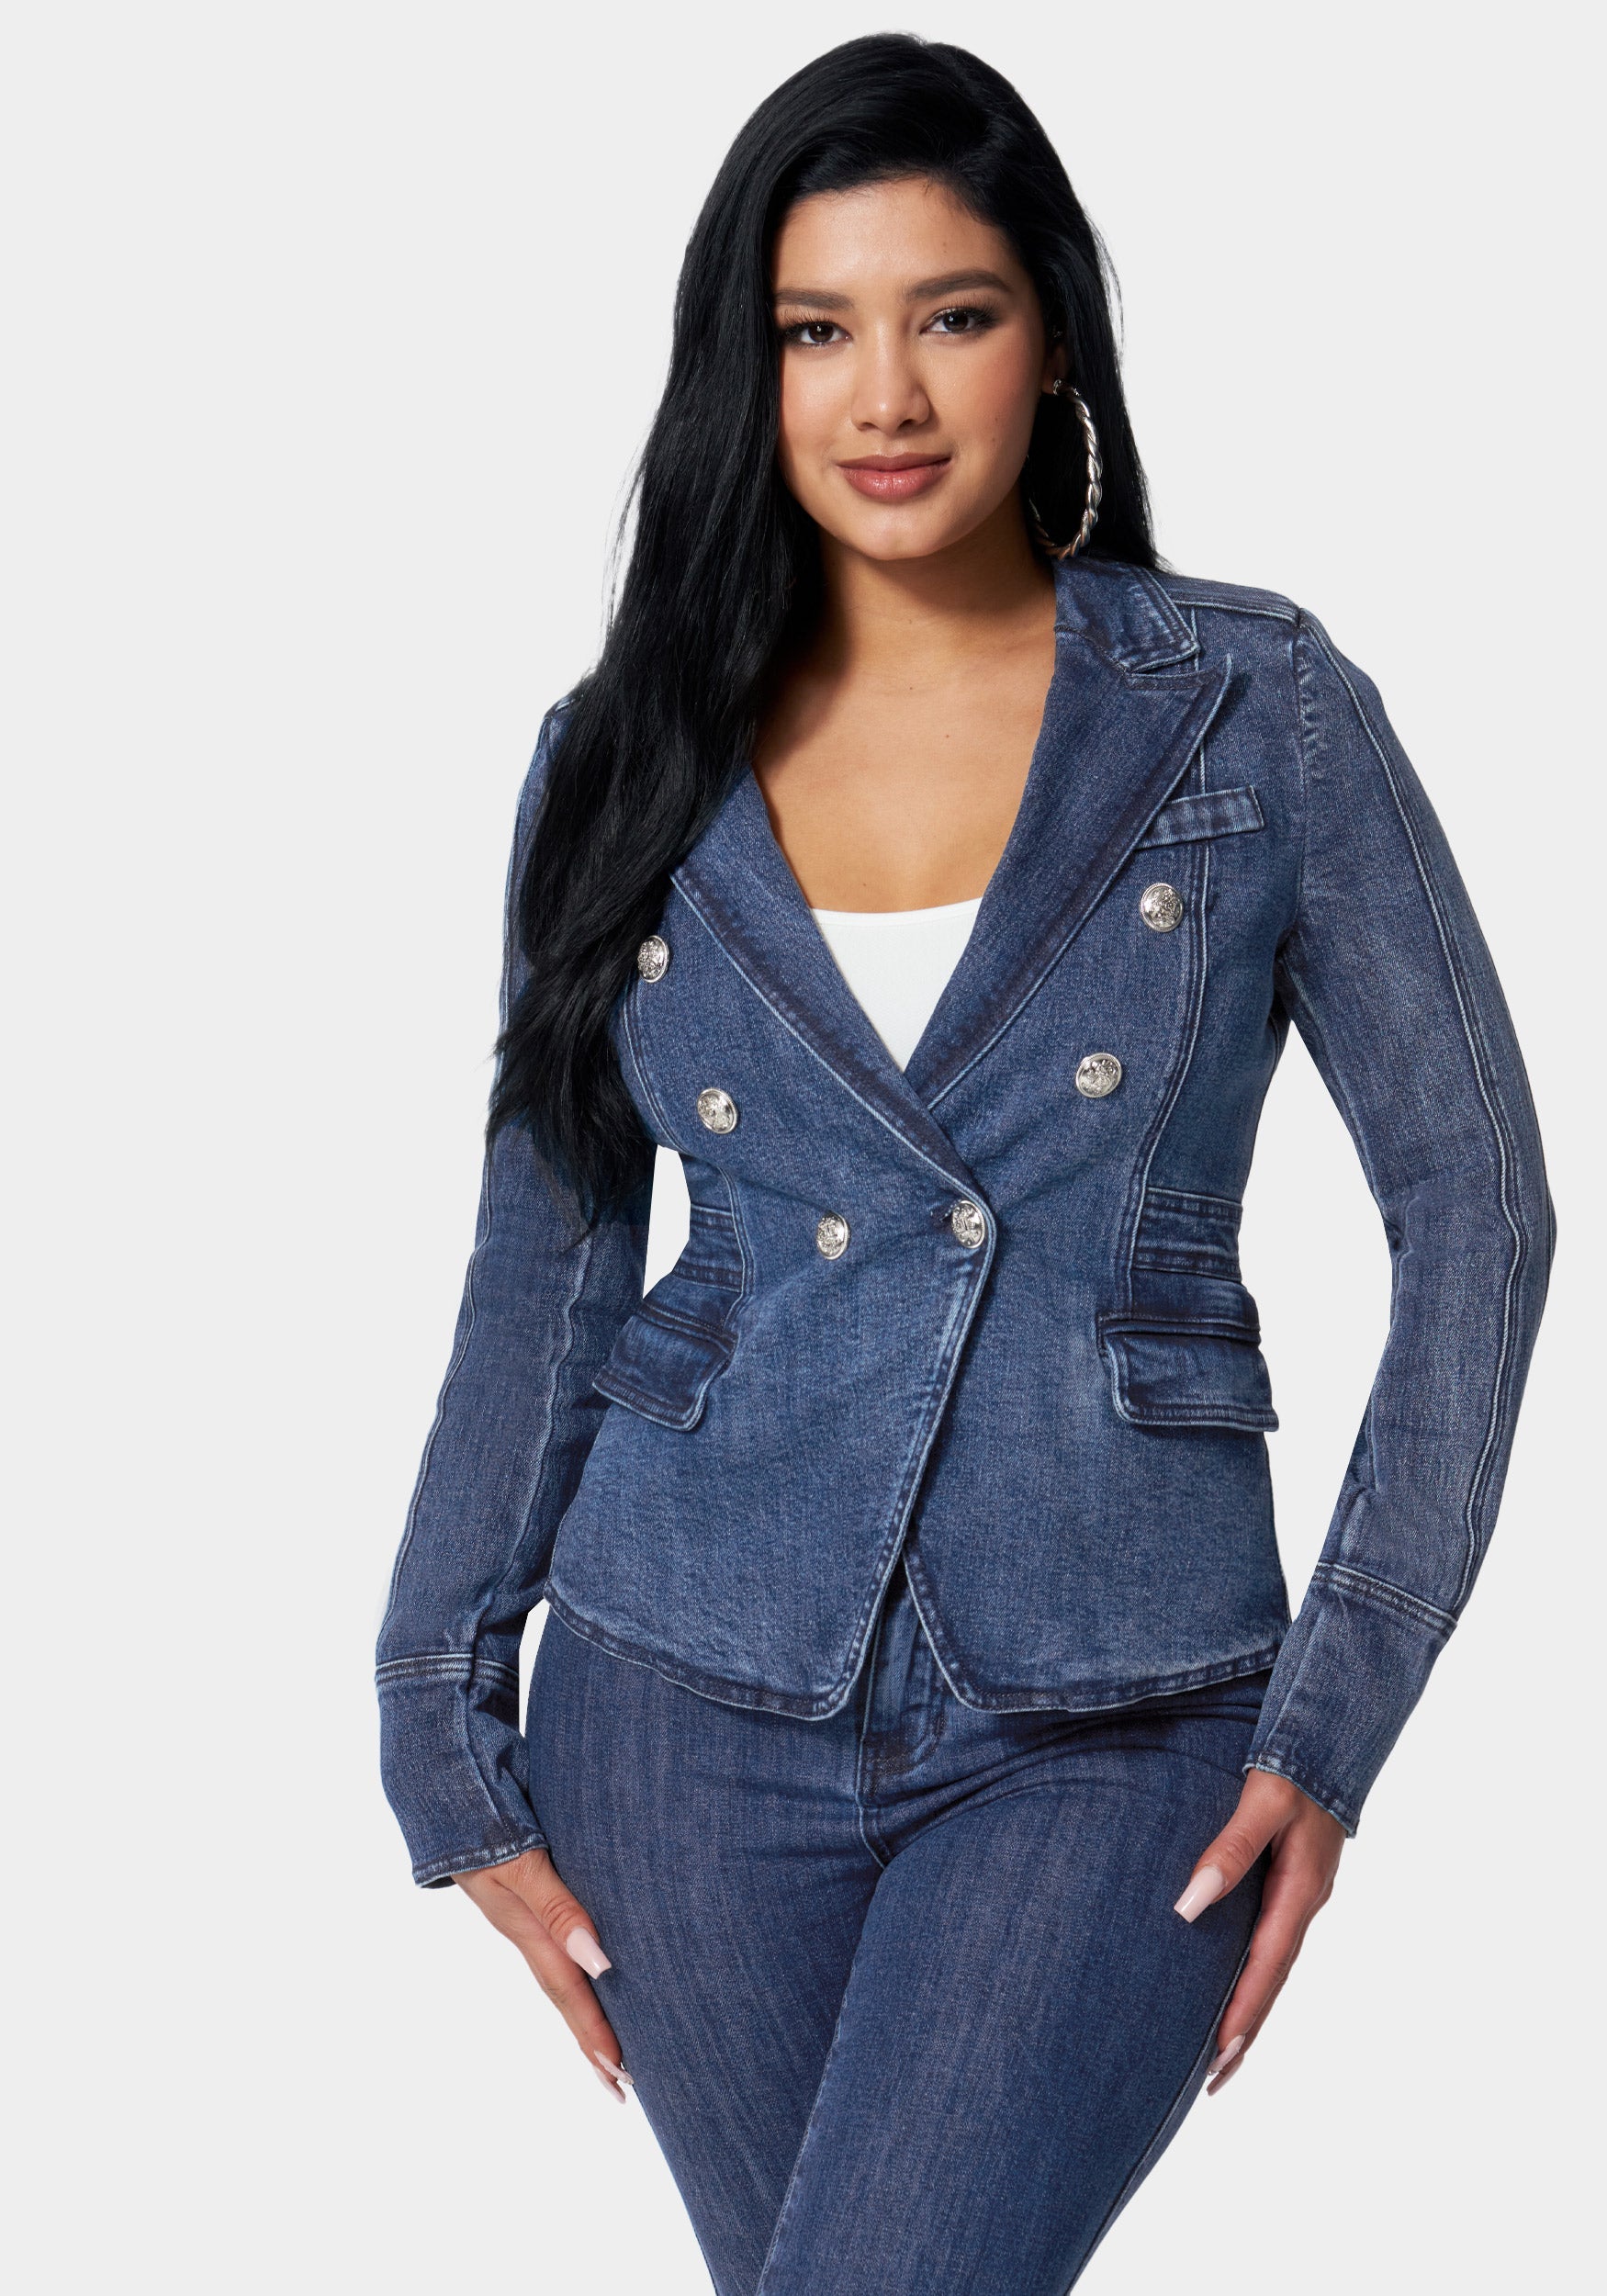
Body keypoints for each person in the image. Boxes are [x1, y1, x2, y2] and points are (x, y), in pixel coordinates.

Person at [376, 34, 1552, 2293]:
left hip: (1116, 1702)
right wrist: (436, 1706)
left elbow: (1474, 1214)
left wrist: (1338, 1711)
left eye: (952, 314)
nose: (885, 393)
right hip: (674, 1696)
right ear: (746, 370)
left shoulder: (1248, 707)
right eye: (815, 329)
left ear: (1051, 341)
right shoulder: (617, 756)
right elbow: (546, 1254)